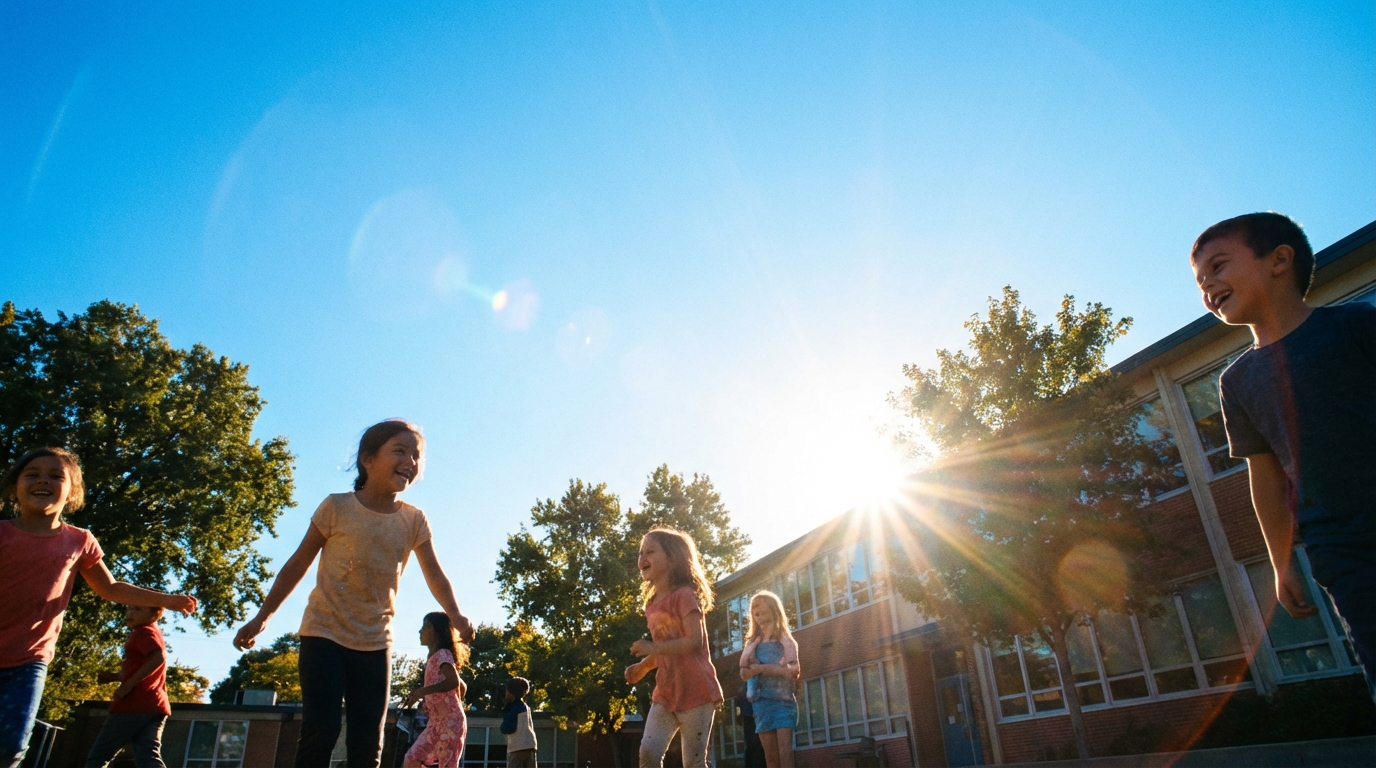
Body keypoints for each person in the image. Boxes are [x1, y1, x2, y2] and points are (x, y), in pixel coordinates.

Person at [1192, 212, 1376, 683]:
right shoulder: (1237, 381)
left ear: (1278, 260)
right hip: (1341, 548)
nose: (1206, 285)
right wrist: (1281, 562)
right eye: (1198, 280)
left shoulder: (1356, 324)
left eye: (1217, 266)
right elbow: (1266, 478)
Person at [233, 420, 475, 768]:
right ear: (368, 459)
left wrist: (456, 614)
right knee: (321, 730)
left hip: (375, 642)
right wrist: (262, 618)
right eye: (400, 451)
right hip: (323, 634)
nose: (411, 461)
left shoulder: (414, 520)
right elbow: (298, 563)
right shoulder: (336, 507)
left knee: (368, 742)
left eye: (416, 455)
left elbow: (435, 574)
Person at [0, 447, 196, 768]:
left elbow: (111, 588)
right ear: (13, 488)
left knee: (11, 746)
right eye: (32, 474)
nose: (43, 481)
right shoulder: (3, 534)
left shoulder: (79, 541)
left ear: (72, 493)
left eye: (56, 476)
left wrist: (167, 599)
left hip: (29, 660)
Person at [624, 526, 724, 768]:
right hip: (666, 691)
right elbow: (664, 649)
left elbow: (693, 641)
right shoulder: (651, 604)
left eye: (650, 552)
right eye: (640, 553)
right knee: (648, 753)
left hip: (696, 690)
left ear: (672, 558)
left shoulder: (684, 595)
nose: (642, 558)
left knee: (693, 762)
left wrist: (652, 648)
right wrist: (643, 666)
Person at [85, 606, 173, 768]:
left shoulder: (143, 632)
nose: (130, 613)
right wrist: (114, 677)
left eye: (138, 609)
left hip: (133, 703)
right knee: (148, 757)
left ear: (156, 614)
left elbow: (158, 657)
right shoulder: (154, 632)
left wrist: (128, 685)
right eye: (130, 609)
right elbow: (142, 667)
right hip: (155, 705)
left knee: (99, 755)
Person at [739, 592, 799, 768]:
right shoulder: (752, 643)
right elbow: (744, 673)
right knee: (770, 759)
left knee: (785, 756)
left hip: (783, 702)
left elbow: (794, 671)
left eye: (762, 610)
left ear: (773, 610)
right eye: (755, 612)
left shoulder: (785, 639)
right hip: (761, 704)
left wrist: (761, 669)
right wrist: (751, 667)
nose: (758, 614)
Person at [401, 612, 468, 768]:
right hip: (436, 724)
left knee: (447, 765)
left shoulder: (443, 654)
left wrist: (422, 692)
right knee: (412, 758)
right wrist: (435, 702)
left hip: (450, 724)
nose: (420, 631)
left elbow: (453, 682)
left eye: (426, 627)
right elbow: (462, 686)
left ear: (438, 631)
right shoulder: (435, 658)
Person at [499, 677, 537, 768]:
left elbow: (507, 728)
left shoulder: (513, 708)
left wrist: (503, 725)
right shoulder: (525, 707)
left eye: (507, 691)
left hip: (517, 746)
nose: (505, 694)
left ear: (512, 693)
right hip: (531, 745)